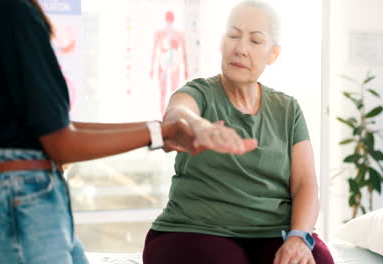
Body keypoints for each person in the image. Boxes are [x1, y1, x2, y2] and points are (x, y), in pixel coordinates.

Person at [0, 0, 257, 263]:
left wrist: (162, 131)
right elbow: (61, 144)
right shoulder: (13, 11)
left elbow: (61, 130)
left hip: (30, 196)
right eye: (233, 35)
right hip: (22, 197)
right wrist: (163, 132)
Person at [142, 1, 335, 264]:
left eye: (255, 41)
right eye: (233, 36)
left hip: (273, 233)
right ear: (222, 43)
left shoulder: (288, 109)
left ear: (273, 54)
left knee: (318, 260)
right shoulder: (200, 93)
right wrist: (197, 125)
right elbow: (177, 114)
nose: (241, 49)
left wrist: (298, 238)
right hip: (193, 230)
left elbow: (304, 184)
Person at [149, 10, 189, 116]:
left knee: (173, 89)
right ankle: (163, 115)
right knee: (163, 90)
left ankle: (170, 113)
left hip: (174, 60)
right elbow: (154, 50)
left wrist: (186, 69)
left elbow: (184, 52)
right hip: (163, 59)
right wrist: (151, 67)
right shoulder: (159, 33)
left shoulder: (178, 34)